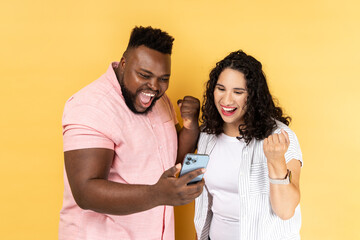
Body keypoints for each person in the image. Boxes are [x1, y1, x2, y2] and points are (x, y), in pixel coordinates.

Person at [59, 26, 205, 240]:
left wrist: (191, 126)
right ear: (124, 63)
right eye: (144, 75)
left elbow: (172, 163)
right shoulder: (91, 106)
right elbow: (85, 191)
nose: (154, 87)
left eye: (163, 78)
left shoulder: (159, 100)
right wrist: (158, 194)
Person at [194, 50, 303, 240]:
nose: (226, 100)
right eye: (221, 88)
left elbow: (286, 211)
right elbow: (200, 199)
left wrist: (276, 161)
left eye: (238, 92)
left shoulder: (280, 137)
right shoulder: (206, 134)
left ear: (253, 96)